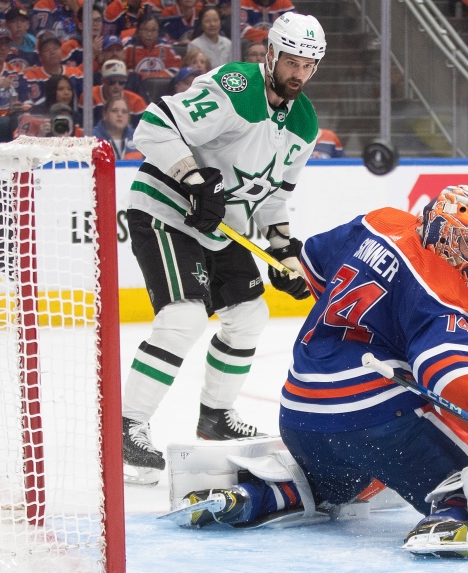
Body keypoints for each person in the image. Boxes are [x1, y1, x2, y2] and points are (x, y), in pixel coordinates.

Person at [173, 186, 468, 558]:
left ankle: (258, 495)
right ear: (439, 232)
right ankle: (452, 513)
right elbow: (452, 375)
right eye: (467, 243)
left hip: (300, 413)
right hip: (375, 422)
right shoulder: (444, 289)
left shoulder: (379, 222)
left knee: (334, 485)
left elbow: (315, 261)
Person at [121, 13, 326, 485]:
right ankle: (127, 427)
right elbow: (152, 126)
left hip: (220, 229)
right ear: (271, 53)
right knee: (185, 316)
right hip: (167, 211)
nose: (299, 73)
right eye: (292, 61)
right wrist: (193, 178)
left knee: (250, 315)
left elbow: (275, 196)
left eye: (308, 65)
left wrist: (283, 250)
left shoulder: (305, 123)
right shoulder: (236, 86)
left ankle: (214, 418)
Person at [23, 34, 84, 107]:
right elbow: (25, 104)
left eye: (55, 48)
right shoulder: (30, 77)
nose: (52, 52)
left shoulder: (75, 74)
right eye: (47, 50)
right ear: (40, 57)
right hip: (41, 117)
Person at [124, 12, 183, 80]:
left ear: (158, 32)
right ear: (138, 30)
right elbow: (120, 69)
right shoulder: (128, 47)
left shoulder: (165, 46)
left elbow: (177, 68)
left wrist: (155, 77)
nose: (149, 34)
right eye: (145, 30)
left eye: (153, 30)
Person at [90, 59, 147, 127]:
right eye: (112, 82)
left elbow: (144, 133)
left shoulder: (137, 102)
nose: (116, 86)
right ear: (103, 81)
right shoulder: (89, 97)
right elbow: (82, 131)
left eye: (121, 82)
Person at [94, 95, 144, 160]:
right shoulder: (91, 138)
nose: (120, 115)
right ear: (105, 115)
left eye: (124, 112)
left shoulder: (138, 137)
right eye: (114, 111)